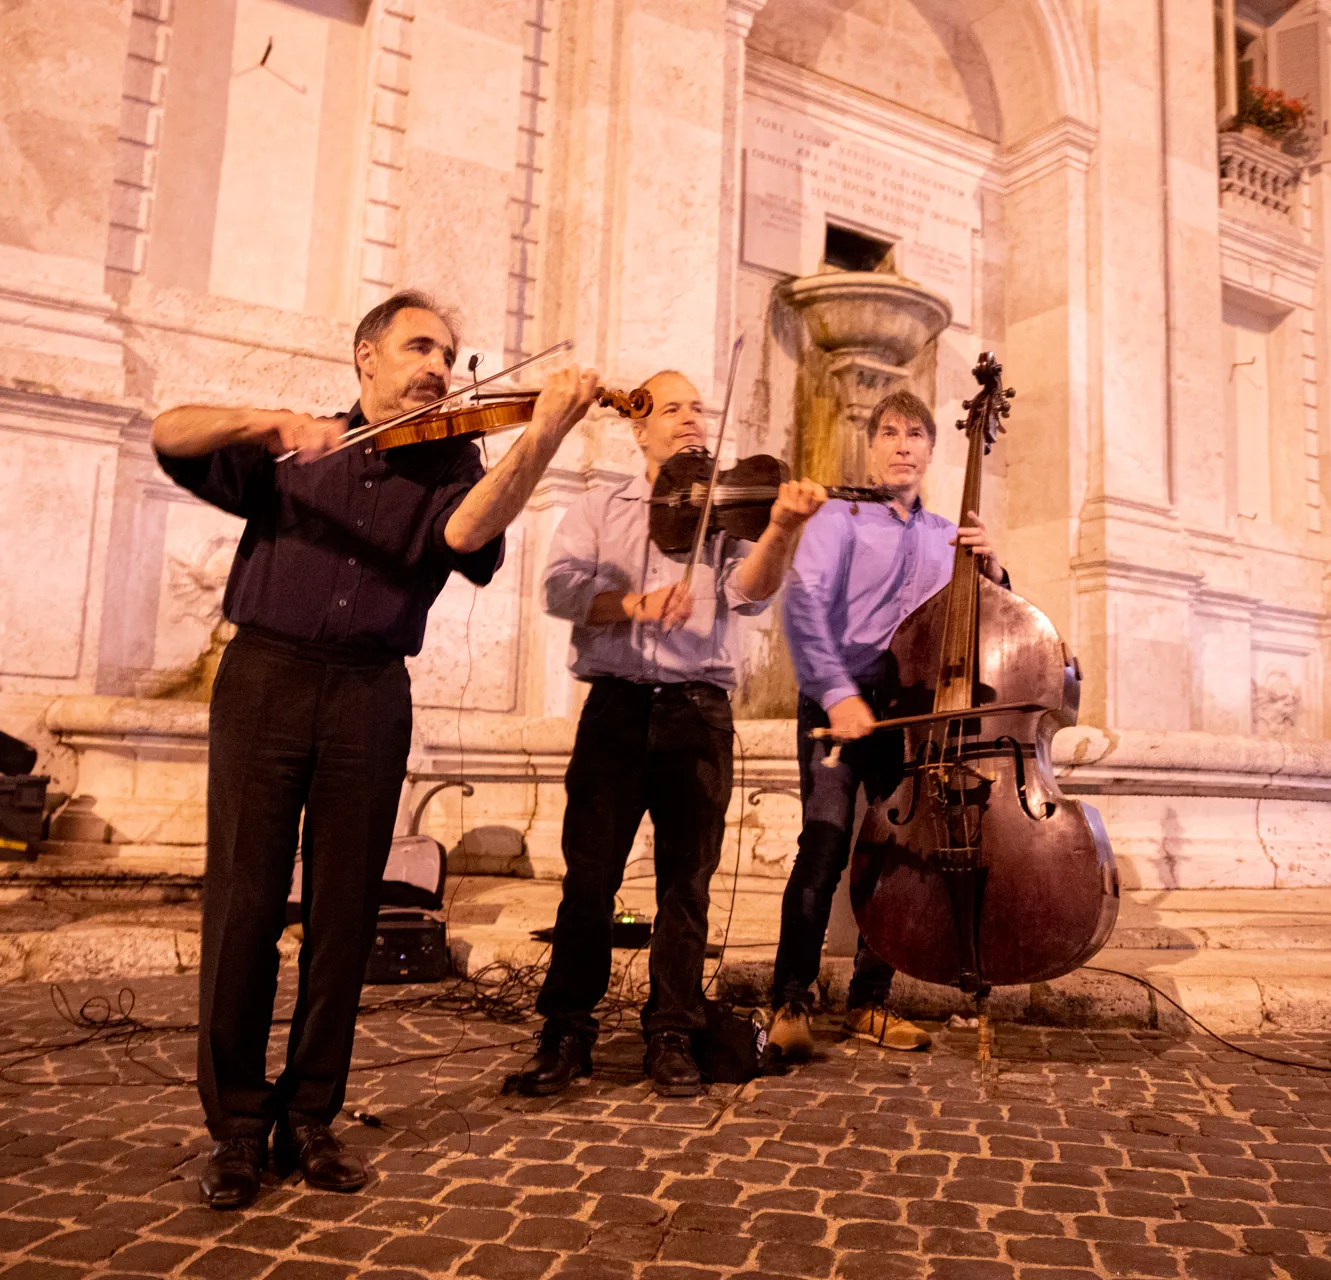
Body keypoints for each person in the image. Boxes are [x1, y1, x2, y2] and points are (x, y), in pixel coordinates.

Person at [152, 291, 598, 1210]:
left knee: (344, 914)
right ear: (367, 358)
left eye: (451, 350)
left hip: (367, 692)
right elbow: (167, 433)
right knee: (242, 905)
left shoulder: (454, 465)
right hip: (266, 677)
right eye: (420, 345)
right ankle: (237, 1127)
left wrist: (543, 434)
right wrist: (267, 418)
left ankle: (312, 1115)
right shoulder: (295, 447)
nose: (439, 364)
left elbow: (468, 536)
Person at [518, 370, 826, 1098]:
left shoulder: (726, 510)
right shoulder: (599, 505)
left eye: (700, 407)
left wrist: (782, 528)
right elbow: (559, 588)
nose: (692, 418)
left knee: (686, 885)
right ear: (639, 426)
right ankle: (567, 1031)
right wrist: (631, 602)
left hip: (697, 713)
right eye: (676, 407)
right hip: (617, 710)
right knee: (589, 879)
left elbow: (750, 594)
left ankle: (674, 1031)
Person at [767, 388, 1005, 1062]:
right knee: (824, 844)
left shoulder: (947, 538)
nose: (902, 444)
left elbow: (992, 622)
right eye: (890, 433)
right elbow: (804, 610)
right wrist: (838, 694)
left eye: (915, 435)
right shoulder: (838, 519)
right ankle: (790, 999)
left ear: (932, 451)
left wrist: (992, 568)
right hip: (839, 701)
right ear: (873, 447)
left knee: (899, 859)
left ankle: (870, 1004)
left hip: (912, 714)